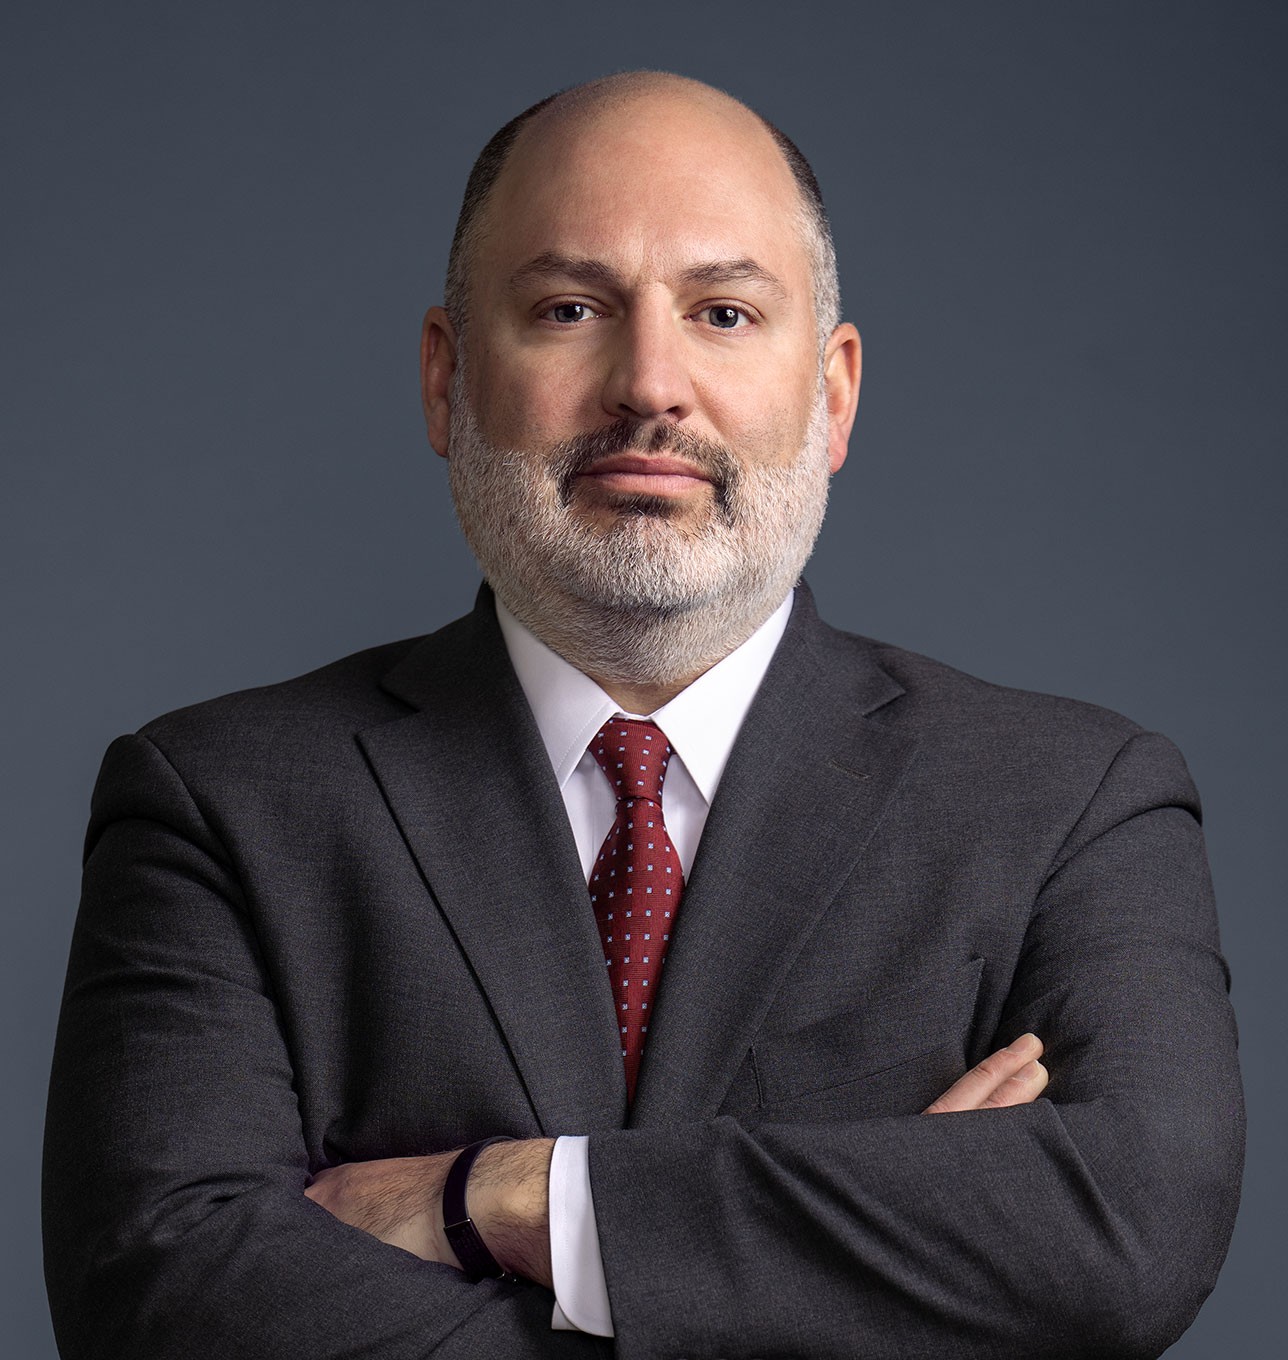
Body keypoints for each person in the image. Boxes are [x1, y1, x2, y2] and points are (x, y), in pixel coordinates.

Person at [43, 72, 1243, 1359]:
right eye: (570, 309)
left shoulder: (1072, 801)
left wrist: (503, 1197)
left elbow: (1130, 1228)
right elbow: (157, 1297)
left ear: (832, 394)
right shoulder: (217, 801)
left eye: (723, 312)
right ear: (446, 379)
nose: (649, 385)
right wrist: (872, 1254)